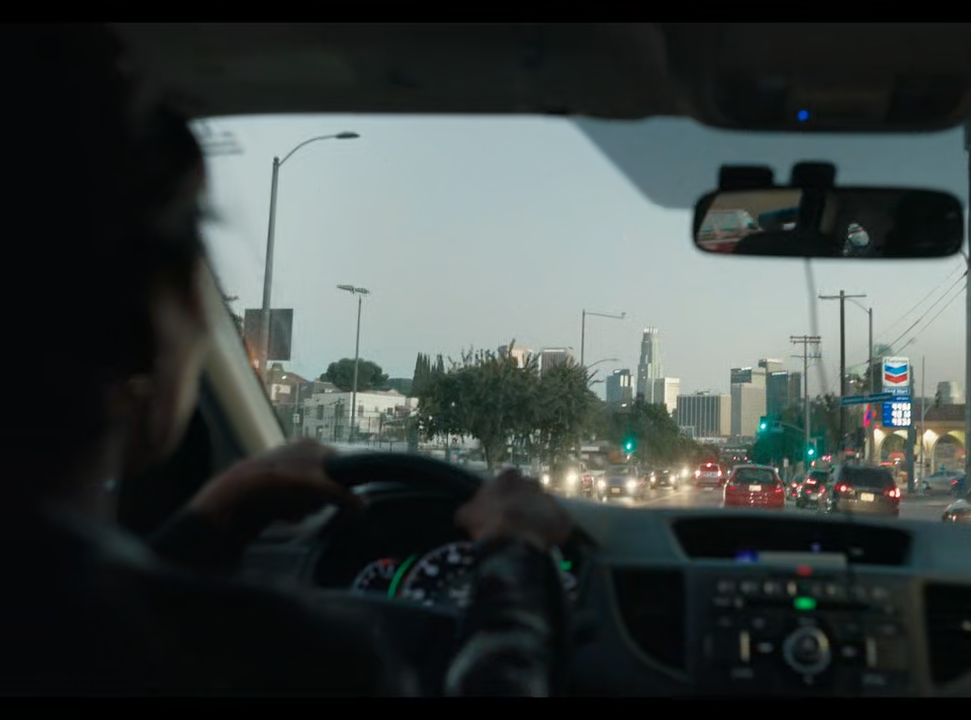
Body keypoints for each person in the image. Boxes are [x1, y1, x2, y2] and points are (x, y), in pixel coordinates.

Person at [0, 24, 570, 696]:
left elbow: (81, 613)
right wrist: (514, 559)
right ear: (162, 314)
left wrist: (215, 515)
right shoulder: (289, 661)